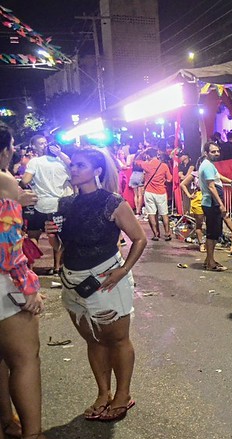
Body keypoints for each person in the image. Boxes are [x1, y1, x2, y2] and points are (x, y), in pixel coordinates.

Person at [52, 147, 146, 424]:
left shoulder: (111, 202)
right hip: (73, 282)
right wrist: (52, 238)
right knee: (93, 340)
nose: (74, 170)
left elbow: (139, 239)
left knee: (117, 339)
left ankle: (123, 394)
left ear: (97, 171)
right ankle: (103, 393)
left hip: (106, 279)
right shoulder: (65, 204)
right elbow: (62, 244)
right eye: (73, 166)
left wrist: (124, 270)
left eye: (80, 165)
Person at [0, 124, 63, 439]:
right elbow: (7, 244)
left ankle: (10, 425)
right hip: (3, 285)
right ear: (7, 149)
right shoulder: (4, 181)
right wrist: (27, 287)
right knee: (24, 359)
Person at [21, 135, 72, 275]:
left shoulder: (34, 162)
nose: (44, 145)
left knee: (33, 235)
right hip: (58, 205)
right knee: (55, 236)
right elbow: (72, 175)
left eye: (45, 143)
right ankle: (56, 268)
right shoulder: (62, 163)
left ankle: (30, 269)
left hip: (39, 204)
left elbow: (25, 181)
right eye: (42, 143)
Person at [198, 142, 227, 271]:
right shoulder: (208, 166)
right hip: (211, 203)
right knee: (212, 234)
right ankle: (210, 263)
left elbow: (218, 177)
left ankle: (209, 260)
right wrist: (221, 204)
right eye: (213, 152)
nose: (216, 154)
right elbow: (211, 186)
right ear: (206, 153)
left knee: (214, 233)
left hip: (210, 203)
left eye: (217, 151)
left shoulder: (209, 165)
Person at [136, 148, 173, 241]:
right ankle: (167, 233)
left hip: (149, 193)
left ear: (148, 155)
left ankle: (156, 234)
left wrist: (142, 152)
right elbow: (169, 179)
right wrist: (163, 181)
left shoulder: (146, 165)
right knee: (164, 213)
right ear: (157, 155)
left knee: (151, 214)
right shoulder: (164, 166)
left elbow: (136, 161)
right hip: (161, 192)